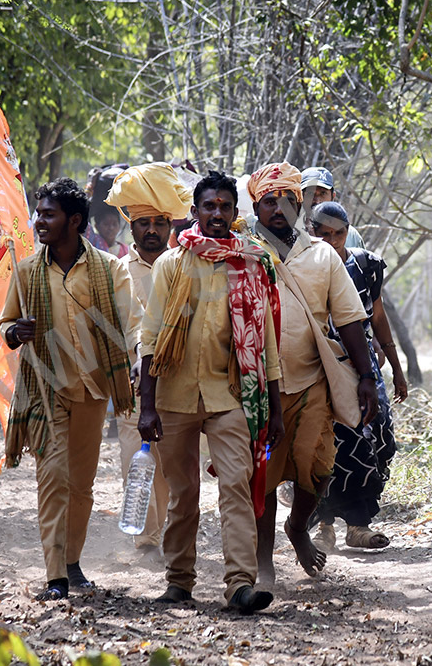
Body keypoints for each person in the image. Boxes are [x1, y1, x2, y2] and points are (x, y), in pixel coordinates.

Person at [138, 170, 282, 614]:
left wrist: (275, 410)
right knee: (183, 494)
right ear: (195, 212)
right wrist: (147, 407)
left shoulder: (253, 265)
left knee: (236, 484)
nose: (217, 213)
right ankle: (179, 581)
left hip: (230, 395)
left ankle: (240, 584)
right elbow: (150, 337)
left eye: (224, 206)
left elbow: (266, 345)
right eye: (209, 206)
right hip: (175, 396)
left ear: (235, 212)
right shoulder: (171, 264)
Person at [0, 178, 141, 601]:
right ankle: (56, 575)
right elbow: (6, 324)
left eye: (49, 214)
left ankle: (73, 562)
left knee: (80, 485)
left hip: (94, 391)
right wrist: (16, 331)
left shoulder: (111, 270)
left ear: (74, 221)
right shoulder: (26, 271)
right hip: (45, 391)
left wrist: (138, 359)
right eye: (38, 214)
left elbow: (132, 324)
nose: (39, 221)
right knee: (53, 479)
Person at [247, 162, 378, 584]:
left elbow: (350, 319)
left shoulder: (322, 255)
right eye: (269, 201)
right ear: (256, 207)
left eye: (287, 200)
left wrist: (367, 378)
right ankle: (263, 565)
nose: (278, 209)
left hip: (312, 383)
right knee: (263, 474)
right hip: (256, 388)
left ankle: (298, 526)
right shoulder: (242, 254)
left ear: (299, 205)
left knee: (318, 467)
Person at [104, 163, 193, 556]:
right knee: (135, 463)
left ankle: (174, 536)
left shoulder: (187, 268)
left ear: (170, 225)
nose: (152, 230)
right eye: (144, 223)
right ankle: (145, 541)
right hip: (133, 388)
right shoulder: (116, 272)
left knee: (175, 469)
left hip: (180, 385)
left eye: (159, 222)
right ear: (132, 227)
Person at [309, 201, 408, 551]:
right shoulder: (303, 267)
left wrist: (396, 368)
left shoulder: (365, 265)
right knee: (330, 441)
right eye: (324, 234)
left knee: (379, 435)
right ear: (311, 233)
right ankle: (331, 524)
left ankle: (357, 522)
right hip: (320, 362)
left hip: (364, 364)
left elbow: (377, 318)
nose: (333, 240)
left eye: (339, 233)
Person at [300, 166, 364, 249]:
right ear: (300, 197)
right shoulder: (291, 232)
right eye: (310, 194)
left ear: (333, 196)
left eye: (323, 193)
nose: (317, 201)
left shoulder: (351, 236)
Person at [85, 166, 130, 257]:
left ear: (119, 226)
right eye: (106, 224)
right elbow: (81, 212)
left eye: (114, 224)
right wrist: (90, 185)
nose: (111, 228)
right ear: (96, 226)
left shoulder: (126, 250)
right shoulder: (92, 242)